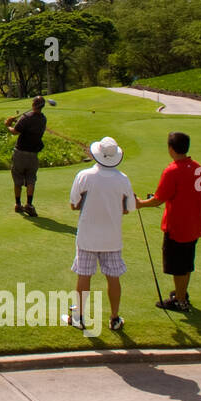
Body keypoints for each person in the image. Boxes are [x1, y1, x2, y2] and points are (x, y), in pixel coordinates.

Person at [67, 136, 135, 332]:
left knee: (84, 276)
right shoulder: (123, 179)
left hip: (88, 235)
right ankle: (114, 318)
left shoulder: (84, 176)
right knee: (113, 278)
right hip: (112, 238)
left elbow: (73, 204)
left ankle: (78, 316)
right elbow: (128, 208)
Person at [136, 131, 201, 313]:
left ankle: (180, 300)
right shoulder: (199, 169)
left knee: (178, 266)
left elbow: (158, 199)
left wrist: (140, 204)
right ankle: (182, 293)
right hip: (194, 223)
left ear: (170, 148)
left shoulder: (172, 170)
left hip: (177, 225)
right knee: (187, 262)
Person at [5, 96, 47, 216]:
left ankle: (18, 204)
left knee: (17, 178)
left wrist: (8, 125)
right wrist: (17, 123)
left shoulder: (26, 117)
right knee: (31, 179)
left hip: (20, 152)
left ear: (34, 104)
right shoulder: (43, 119)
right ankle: (29, 204)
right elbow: (22, 127)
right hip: (33, 154)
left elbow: (15, 131)